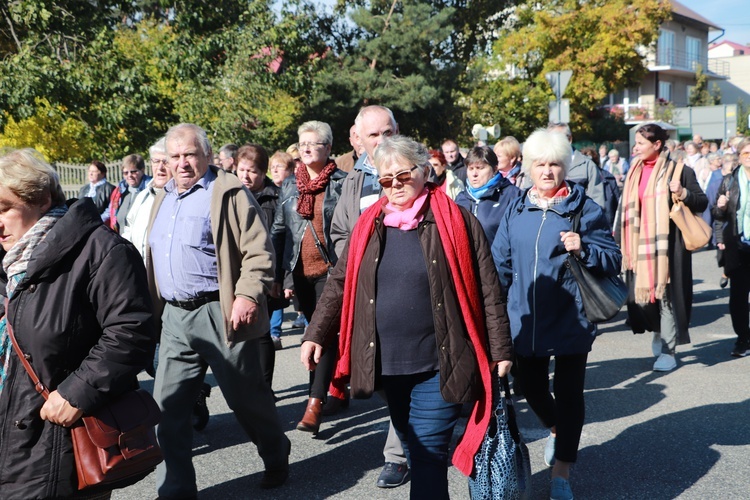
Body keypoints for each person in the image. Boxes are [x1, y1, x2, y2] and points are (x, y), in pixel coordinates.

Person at [301, 135, 513, 499]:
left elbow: (488, 288)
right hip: (385, 366)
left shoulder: (457, 220)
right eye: (386, 179)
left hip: (441, 363)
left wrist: (501, 349)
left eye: (403, 175)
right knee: (415, 449)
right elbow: (339, 282)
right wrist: (314, 333)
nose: (394, 185)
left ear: (426, 171)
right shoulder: (369, 223)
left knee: (428, 455)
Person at [0, 148, 156, 498]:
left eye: (5, 208)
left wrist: (77, 393)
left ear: (40, 199)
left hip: (59, 440)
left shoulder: (102, 251)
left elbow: (132, 331)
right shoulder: (8, 260)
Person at [146, 123, 290, 496]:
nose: (181, 163)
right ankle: (176, 489)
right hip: (175, 317)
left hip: (220, 311)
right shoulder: (163, 197)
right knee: (168, 409)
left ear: (207, 155)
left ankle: (275, 454)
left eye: (189, 155)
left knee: (248, 401)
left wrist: (247, 295)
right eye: (174, 156)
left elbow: (260, 251)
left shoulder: (228, 193)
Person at [492, 129, 621, 500]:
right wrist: (494, 312)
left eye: (554, 164)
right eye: (540, 165)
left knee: (568, 395)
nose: (547, 171)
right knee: (528, 387)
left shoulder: (583, 208)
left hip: (571, 315)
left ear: (564, 167)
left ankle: (561, 474)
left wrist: (584, 249)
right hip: (526, 317)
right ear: (528, 168)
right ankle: (556, 430)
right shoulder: (517, 207)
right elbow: (500, 263)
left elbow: (612, 257)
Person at [329, 105, 410, 489]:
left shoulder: (416, 169)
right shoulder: (355, 180)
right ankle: (415, 427)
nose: (382, 141)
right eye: (373, 135)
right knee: (376, 375)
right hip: (367, 293)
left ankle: (397, 455)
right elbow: (340, 233)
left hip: (410, 292)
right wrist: (360, 259)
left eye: (387, 132)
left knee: (404, 370)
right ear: (359, 138)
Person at [270, 120, 347, 435]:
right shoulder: (290, 185)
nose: (306, 147)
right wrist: (278, 276)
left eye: (313, 143)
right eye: (302, 142)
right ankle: (328, 389)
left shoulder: (342, 182)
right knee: (312, 336)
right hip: (300, 273)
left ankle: (315, 402)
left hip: (331, 272)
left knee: (322, 334)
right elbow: (278, 231)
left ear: (328, 148)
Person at [620, 123, 708, 372]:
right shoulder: (633, 170)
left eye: (640, 143)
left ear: (657, 145)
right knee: (641, 300)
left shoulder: (679, 171)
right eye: (635, 143)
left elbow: (702, 201)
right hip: (639, 248)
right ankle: (658, 330)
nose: (635, 148)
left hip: (669, 249)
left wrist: (683, 193)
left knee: (667, 298)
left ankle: (669, 350)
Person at [713, 138, 750, 357]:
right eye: (746, 154)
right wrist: (721, 206)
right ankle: (743, 339)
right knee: (738, 296)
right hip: (738, 244)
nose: (749, 158)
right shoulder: (729, 181)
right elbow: (718, 214)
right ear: (739, 156)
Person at [455, 145, 520, 244]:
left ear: (494, 169)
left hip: (496, 258)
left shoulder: (512, 195)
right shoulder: (461, 198)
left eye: (480, 168)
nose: (474, 174)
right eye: (471, 168)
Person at [122, 138, 171, 257]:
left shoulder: (179, 197)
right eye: (155, 161)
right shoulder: (143, 196)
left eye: (165, 162)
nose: (160, 167)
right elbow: (129, 231)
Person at [546, 123, 606, 208]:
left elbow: (597, 203)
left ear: (569, 139)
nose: (553, 143)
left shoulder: (587, 166)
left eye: (557, 139)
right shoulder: (541, 167)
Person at [107, 154, 152, 234]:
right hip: (121, 241)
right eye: (125, 173)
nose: (129, 175)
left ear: (142, 170)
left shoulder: (151, 191)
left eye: (133, 172)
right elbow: (111, 213)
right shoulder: (119, 193)